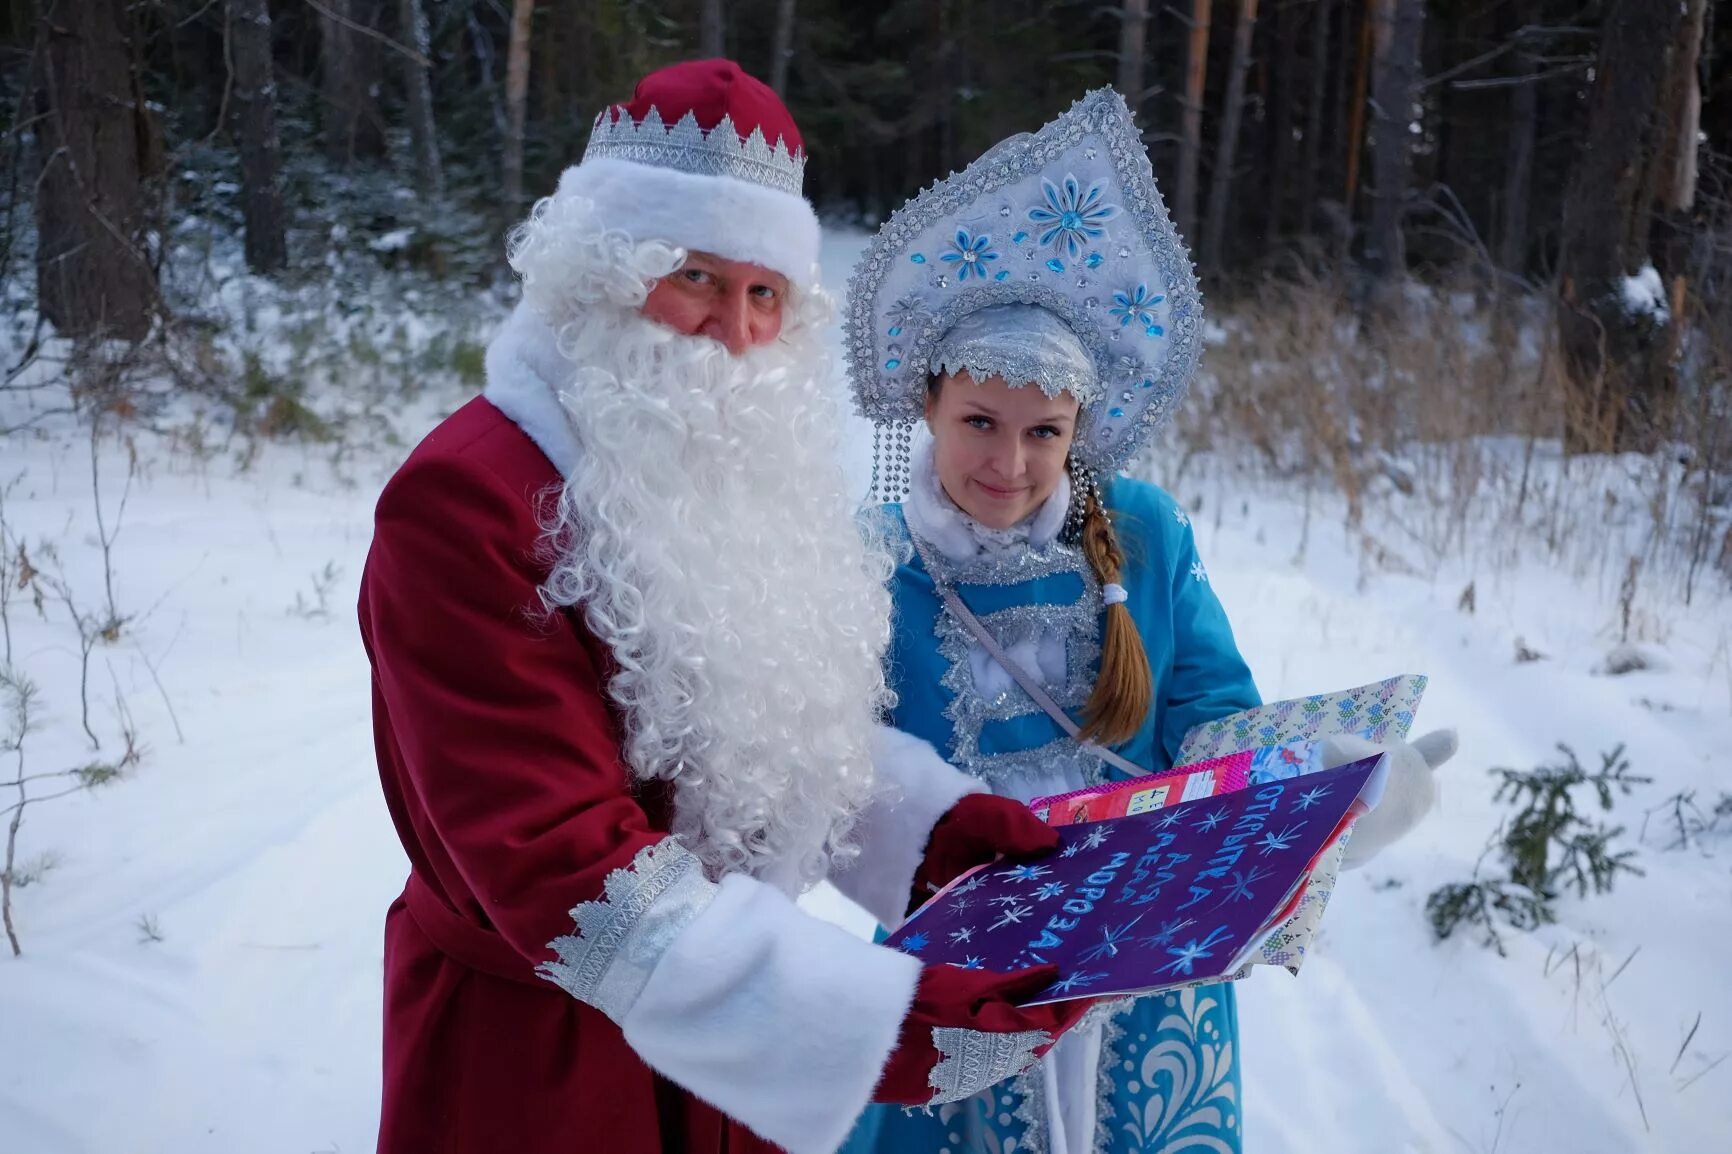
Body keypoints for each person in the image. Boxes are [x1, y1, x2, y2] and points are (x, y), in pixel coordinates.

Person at [358, 59, 1093, 1154]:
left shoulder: (713, 465)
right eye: (696, 277)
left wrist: (939, 830)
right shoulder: (467, 497)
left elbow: (752, 734)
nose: (733, 333)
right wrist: (884, 1030)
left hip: (727, 1058)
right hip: (542, 1061)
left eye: (763, 294)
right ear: (604, 272)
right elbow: (564, 868)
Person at [837, 88, 1457, 1154]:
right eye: (979, 422)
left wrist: (1328, 782)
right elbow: (839, 759)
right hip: (966, 945)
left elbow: (1212, 710)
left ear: (1081, 427)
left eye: (1043, 430)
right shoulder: (869, 557)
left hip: (1148, 939)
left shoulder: (1144, 530)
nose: (1009, 462)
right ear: (926, 407)